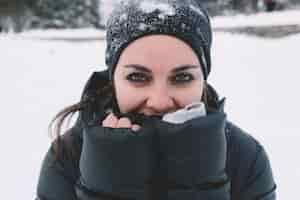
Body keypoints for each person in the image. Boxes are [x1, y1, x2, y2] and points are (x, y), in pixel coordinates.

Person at [36, 0, 276, 199]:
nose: (160, 102)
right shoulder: (68, 158)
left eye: (182, 77)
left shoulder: (244, 158)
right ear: (113, 78)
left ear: (203, 78)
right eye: (137, 77)